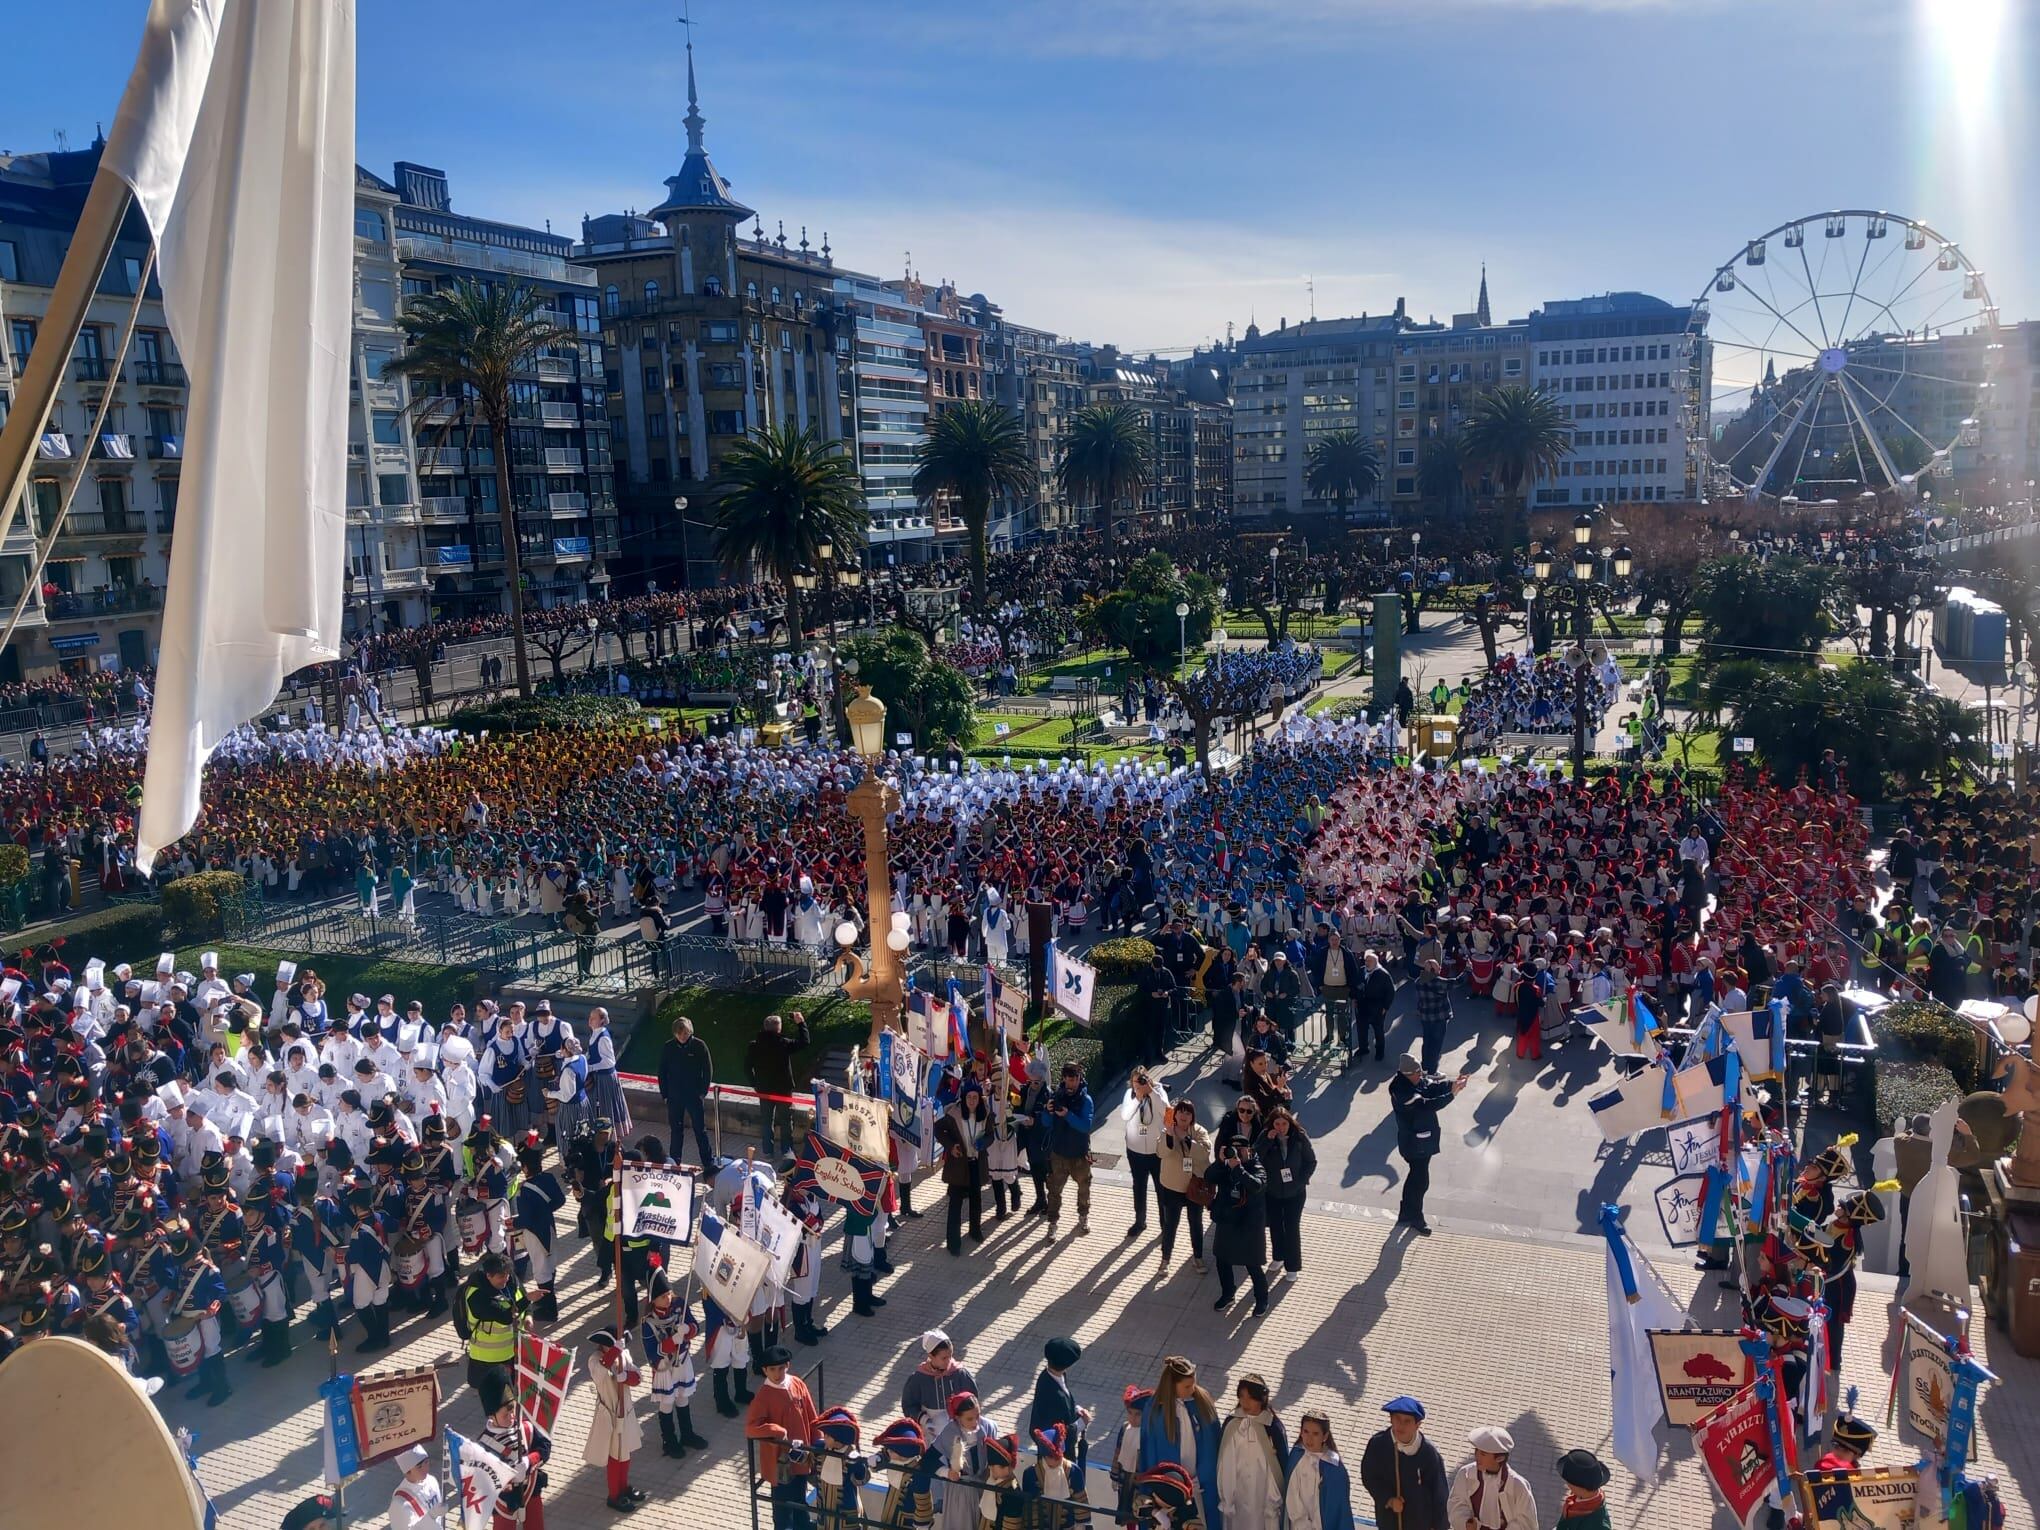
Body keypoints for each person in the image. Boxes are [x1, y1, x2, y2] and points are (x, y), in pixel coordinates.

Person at [1389, 1055, 1468, 1236]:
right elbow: (1427, 1104)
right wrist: (1452, 1093)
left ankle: (1406, 1212)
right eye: (1417, 1073)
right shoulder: (1402, 1092)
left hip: (1421, 1139)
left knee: (1415, 1177)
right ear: (1408, 1074)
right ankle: (1416, 1216)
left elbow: (1430, 1086)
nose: (1421, 1076)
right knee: (1421, 1180)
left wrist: (1451, 1083)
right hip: (1414, 1142)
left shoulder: (1413, 1081)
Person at [1138, 1356, 1220, 1529]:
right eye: (1187, 1386)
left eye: (1193, 1384)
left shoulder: (1202, 1402)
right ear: (1172, 1385)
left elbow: (1214, 1443)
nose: (1193, 1389)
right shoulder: (1155, 1409)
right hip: (1170, 1490)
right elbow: (1148, 1450)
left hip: (1200, 1485)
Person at [746, 1344, 821, 1530]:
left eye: (781, 1368)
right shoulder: (763, 1396)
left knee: (800, 1498)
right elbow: (751, 1428)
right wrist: (776, 1431)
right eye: (772, 1369)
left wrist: (817, 1442)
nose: (777, 1373)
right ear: (765, 1370)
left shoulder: (796, 1383)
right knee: (782, 1507)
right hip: (781, 1462)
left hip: (803, 1457)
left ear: (787, 1366)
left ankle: (802, 1526)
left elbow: (812, 1415)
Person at [1360, 1396, 1450, 1530]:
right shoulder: (1378, 1444)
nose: (1400, 1425)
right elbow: (1370, 1477)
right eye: (1397, 1419)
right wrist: (1388, 1499)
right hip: (1389, 1521)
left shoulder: (1428, 1454)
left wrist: (1439, 1526)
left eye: (1407, 1421)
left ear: (1417, 1425)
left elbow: (1440, 1495)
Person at [583, 1328, 648, 1512]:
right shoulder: (594, 1360)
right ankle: (614, 1495)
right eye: (610, 1345)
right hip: (609, 1413)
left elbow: (638, 1377)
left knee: (625, 1452)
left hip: (625, 1410)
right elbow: (601, 1371)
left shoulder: (623, 1354)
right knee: (614, 1456)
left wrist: (626, 1377)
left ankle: (624, 1487)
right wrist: (614, 1352)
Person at [1208, 1130, 1271, 1316]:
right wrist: (1221, 1162)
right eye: (1233, 1150)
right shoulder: (1225, 1166)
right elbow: (1209, 1176)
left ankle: (1262, 1299)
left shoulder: (1256, 1165)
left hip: (1249, 1225)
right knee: (1222, 1261)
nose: (1236, 1154)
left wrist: (1238, 1168)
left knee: (1252, 1265)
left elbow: (1257, 1185)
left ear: (1249, 1151)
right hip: (1227, 1221)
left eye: (1240, 1151)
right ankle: (1228, 1294)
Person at [1215, 1374, 1289, 1530]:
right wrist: (1227, 1497)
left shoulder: (1272, 1428)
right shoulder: (1232, 1424)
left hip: (1262, 1497)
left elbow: (1278, 1467)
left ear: (1261, 1399)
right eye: (1242, 1396)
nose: (1245, 1402)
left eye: (1251, 1397)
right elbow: (1225, 1463)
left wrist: (1273, 1500)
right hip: (1237, 1496)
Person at [1256, 1105, 1315, 1282]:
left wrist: (1301, 1181)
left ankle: (1293, 1266)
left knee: (1291, 1228)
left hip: (1295, 1193)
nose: (1281, 1127)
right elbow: (1255, 1157)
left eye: (1284, 1123)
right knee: (1275, 1226)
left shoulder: (1299, 1137)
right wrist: (1267, 1140)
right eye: (1277, 1124)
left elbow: (1311, 1161)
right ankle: (1278, 1256)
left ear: (1289, 1123)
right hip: (1273, 1191)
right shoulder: (1266, 1136)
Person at [1027, 1337, 1092, 1494]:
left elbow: (1065, 1399)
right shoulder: (1054, 1394)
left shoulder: (1047, 1376)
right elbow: (1061, 1433)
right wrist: (1082, 1423)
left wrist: (1075, 1408)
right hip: (1057, 1460)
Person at [1156, 1099, 1211, 1278]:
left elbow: (1204, 1154)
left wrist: (1186, 1139)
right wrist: (1171, 1135)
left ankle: (1198, 1257)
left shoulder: (1199, 1131)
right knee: (1170, 1224)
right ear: (1175, 1114)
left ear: (1192, 1116)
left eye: (1188, 1113)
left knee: (1196, 1223)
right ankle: (1165, 1260)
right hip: (1172, 1186)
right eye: (1181, 1112)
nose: (1184, 1116)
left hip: (1194, 1187)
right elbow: (1161, 1153)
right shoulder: (1167, 1131)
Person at [461, 1250, 528, 1395]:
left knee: (507, 1393)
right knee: (493, 1396)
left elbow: (521, 1296)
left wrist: (528, 1315)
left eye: (507, 1274)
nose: (505, 1279)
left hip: (510, 1354)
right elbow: (504, 1316)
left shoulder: (510, 1284)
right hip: (486, 1358)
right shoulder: (476, 1296)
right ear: (488, 1276)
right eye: (501, 1276)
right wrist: (528, 1301)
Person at [934, 1079, 988, 1256]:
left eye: (975, 1098)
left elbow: (991, 1135)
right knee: (955, 1204)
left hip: (976, 1163)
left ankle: (975, 1230)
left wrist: (984, 1142)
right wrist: (951, 1146)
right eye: (969, 1097)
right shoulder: (954, 1115)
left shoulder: (985, 1114)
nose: (972, 1101)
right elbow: (938, 1129)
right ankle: (953, 1242)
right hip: (958, 1165)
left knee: (976, 1200)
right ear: (964, 1098)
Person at [745, 1013, 810, 1160]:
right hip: (783, 1090)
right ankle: (786, 1150)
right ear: (778, 1028)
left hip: (764, 1090)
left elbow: (747, 1067)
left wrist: (754, 1083)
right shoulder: (783, 1043)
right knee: (786, 1121)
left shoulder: (754, 1045)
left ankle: (768, 1151)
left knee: (767, 1121)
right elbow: (805, 1042)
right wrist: (801, 1023)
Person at [1042, 1062, 1094, 1244]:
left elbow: (1086, 1126)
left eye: (1076, 1079)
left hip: (1079, 1154)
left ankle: (1083, 1216)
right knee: (1054, 1190)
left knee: (1084, 1187)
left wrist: (1068, 1115)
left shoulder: (1085, 1100)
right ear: (1064, 1079)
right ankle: (1052, 1223)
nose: (1073, 1083)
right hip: (1059, 1154)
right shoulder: (1056, 1096)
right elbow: (1046, 1123)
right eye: (1070, 1080)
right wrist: (1048, 1112)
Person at [1447, 1426, 1536, 1530]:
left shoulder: (1518, 1486)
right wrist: (1465, 1523)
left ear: (1499, 1458)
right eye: (1476, 1451)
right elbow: (1456, 1503)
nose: (1477, 1456)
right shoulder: (1465, 1474)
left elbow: (1526, 1522)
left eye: (1483, 1454)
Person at [656, 1016, 715, 1167]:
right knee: (676, 1131)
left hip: (694, 1095)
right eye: (680, 1033)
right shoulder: (668, 1047)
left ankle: (708, 1162)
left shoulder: (699, 1046)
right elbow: (662, 1071)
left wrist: (703, 1092)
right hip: (674, 1096)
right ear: (675, 1033)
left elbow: (707, 1070)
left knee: (700, 1131)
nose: (683, 1036)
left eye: (686, 1033)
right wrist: (665, 1094)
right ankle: (675, 1162)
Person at [1285, 1410, 1357, 1530]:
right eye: (1306, 1432)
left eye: (1315, 1434)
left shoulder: (1334, 1467)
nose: (1309, 1438)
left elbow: (1339, 1508)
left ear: (1325, 1436)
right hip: (1298, 1525)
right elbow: (1292, 1495)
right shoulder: (1296, 1456)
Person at [1121, 1067, 1169, 1245]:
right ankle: (1140, 1221)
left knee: (1161, 1189)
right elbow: (1125, 1115)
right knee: (1139, 1187)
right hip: (1136, 1151)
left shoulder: (1159, 1091)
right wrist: (1138, 1098)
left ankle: (1165, 1225)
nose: (1138, 1085)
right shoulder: (1129, 1095)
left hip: (1157, 1151)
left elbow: (1167, 1113)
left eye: (1142, 1080)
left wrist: (1152, 1092)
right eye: (1136, 1082)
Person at [902, 1330, 981, 1439]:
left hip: (960, 1430)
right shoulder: (918, 1379)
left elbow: (973, 1400)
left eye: (950, 1356)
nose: (948, 1361)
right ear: (931, 1356)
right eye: (944, 1358)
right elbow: (909, 1406)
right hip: (931, 1432)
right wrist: (924, 1420)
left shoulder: (960, 1374)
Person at [1349, 950, 1396, 1071]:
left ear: (1376, 962)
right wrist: (1354, 997)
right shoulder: (1361, 971)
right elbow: (1354, 985)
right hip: (1362, 1006)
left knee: (1378, 1030)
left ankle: (1380, 1052)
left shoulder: (1383, 974)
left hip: (1377, 1008)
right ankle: (1363, 1048)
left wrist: (1386, 1007)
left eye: (1370, 961)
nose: (1367, 963)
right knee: (1361, 1029)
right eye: (1366, 961)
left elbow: (1391, 992)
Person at [386, 1444, 445, 1530]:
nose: (425, 1468)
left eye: (426, 1462)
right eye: (419, 1467)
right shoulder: (399, 1503)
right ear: (407, 1471)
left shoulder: (432, 1480)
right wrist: (431, 1516)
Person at [1553, 1448, 1612, 1528]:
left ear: (1578, 1486)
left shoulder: (1599, 1526)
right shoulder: (1579, 1498)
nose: (1567, 1484)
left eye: (1568, 1481)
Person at [1413, 959, 1453, 1074]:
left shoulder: (1418, 982)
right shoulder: (1439, 982)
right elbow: (1457, 982)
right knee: (1436, 1045)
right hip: (1439, 1018)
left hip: (1425, 1018)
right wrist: (1468, 970)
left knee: (1427, 1042)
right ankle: (1432, 1071)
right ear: (1433, 970)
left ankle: (1425, 1067)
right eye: (1438, 968)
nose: (1440, 969)